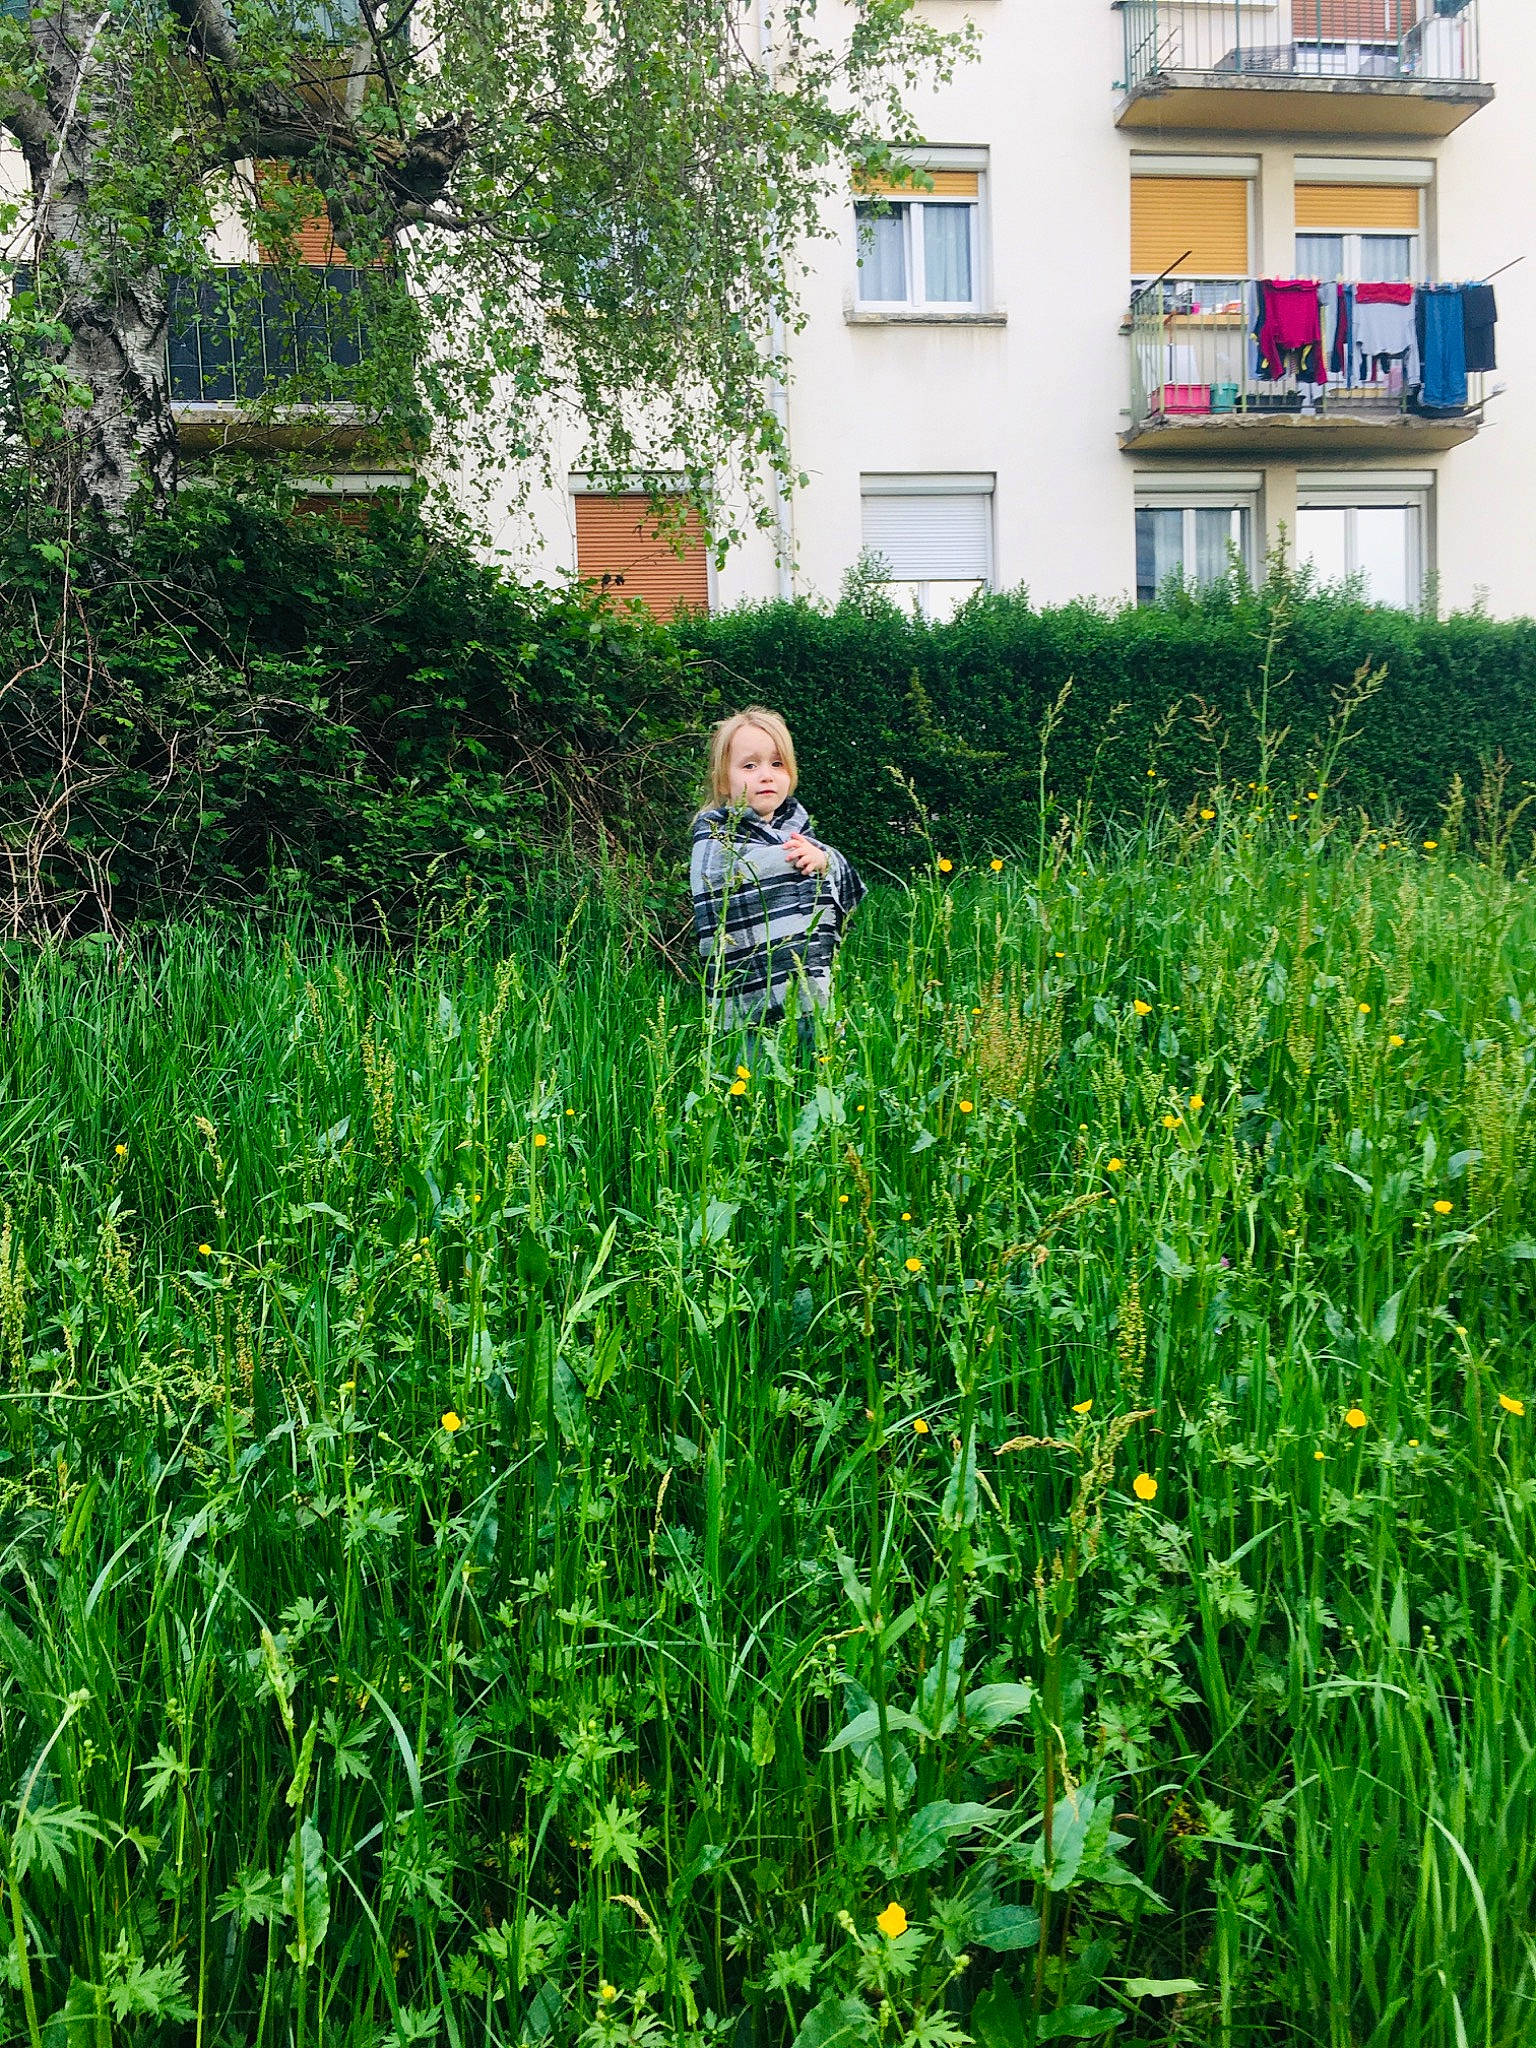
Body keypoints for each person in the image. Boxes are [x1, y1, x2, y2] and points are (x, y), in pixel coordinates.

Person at [690, 706, 865, 1063]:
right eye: (749, 766)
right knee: (754, 1087)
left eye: (776, 764)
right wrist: (795, 859)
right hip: (747, 998)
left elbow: (845, 883)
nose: (765, 776)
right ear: (724, 780)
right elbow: (719, 881)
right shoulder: (714, 837)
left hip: (808, 987)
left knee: (815, 1077)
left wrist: (823, 860)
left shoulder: (799, 832)